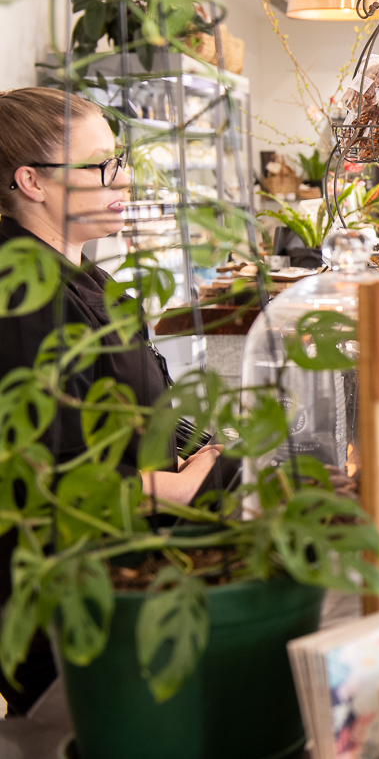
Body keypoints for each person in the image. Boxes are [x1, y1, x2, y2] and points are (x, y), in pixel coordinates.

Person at [0, 87, 225, 714]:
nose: (122, 178)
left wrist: (207, 446)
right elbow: (42, 479)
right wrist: (170, 490)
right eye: (100, 166)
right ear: (32, 182)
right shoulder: (22, 296)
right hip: (78, 604)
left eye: (119, 160)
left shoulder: (88, 278)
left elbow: (139, 404)